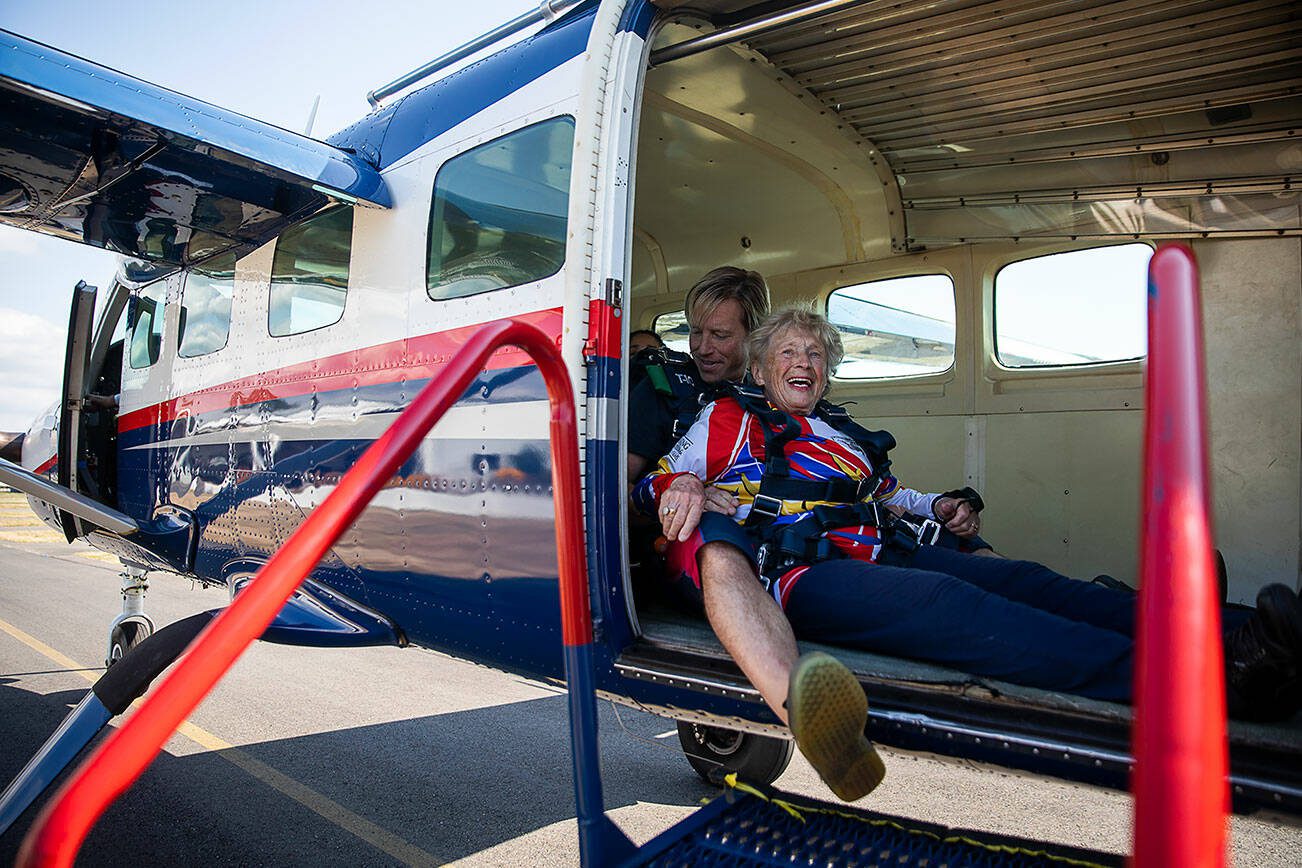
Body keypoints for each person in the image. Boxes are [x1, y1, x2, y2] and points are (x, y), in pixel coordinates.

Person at [633, 307, 1302, 801]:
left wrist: (944, 508)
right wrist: (682, 482)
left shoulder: (843, 433)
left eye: (818, 353)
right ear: (760, 367)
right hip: (806, 570)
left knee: (1025, 581)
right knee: (959, 609)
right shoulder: (729, 420)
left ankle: (1238, 633)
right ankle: (1215, 685)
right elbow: (650, 482)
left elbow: (895, 495)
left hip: (882, 549)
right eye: (791, 351)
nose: (806, 361)